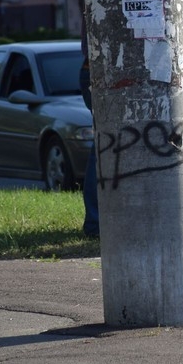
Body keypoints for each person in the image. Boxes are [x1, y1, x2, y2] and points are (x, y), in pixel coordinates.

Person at [79, 42, 99, 238]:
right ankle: (95, 223)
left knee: (104, 145)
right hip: (100, 68)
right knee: (104, 144)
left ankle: (96, 222)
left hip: (97, 67)